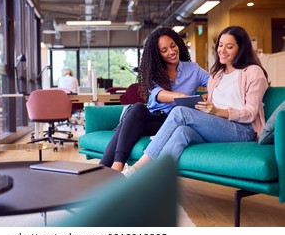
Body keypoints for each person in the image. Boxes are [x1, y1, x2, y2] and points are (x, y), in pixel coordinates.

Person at [122, 25, 269, 177]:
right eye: (220, 45)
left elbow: (251, 114)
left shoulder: (253, 72)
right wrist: (206, 106)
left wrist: (218, 111)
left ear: (241, 48)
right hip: (217, 126)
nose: (222, 50)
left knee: (179, 112)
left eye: (229, 47)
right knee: (181, 132)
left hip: (243, 130)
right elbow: (212, 99)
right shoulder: (217, 75)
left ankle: (137, 168)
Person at [100, 27, 210, 172]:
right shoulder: (154, 72)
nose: (171, 52)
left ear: (178, 44)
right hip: (153, 119)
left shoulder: (193, 69)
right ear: (157, 54)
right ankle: (114, 167)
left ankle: (107, 168)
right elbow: (158, 94)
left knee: (126, 126)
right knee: (138, 107)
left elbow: (216, 84)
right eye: (164, 50)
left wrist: (205, 97)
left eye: (173, 46)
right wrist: (181, 97)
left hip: (173, 122)